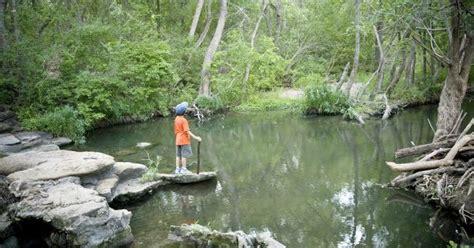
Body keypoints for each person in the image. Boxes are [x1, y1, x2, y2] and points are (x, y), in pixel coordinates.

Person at [174, 102, 201, 174]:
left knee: (178, 155)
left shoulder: (176, 119)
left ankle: (177, 169)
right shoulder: (184, 120)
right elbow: (187, 131)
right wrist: (196, 138)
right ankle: (183, 169)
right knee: (184, 155)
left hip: (178, 140)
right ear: (184, 112)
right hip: (184, 140)